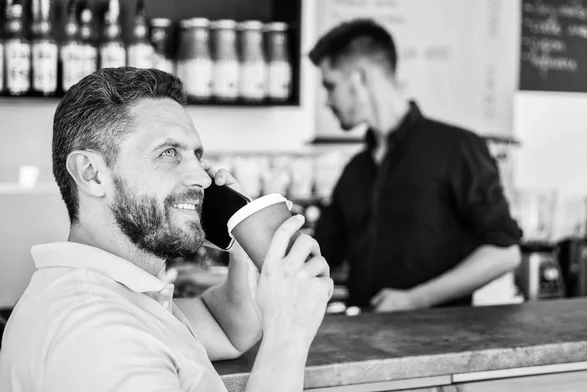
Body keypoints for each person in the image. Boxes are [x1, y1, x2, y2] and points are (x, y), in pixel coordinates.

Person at [0, 67, 333, 391]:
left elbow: (228, 330)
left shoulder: (119, 294)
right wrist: (288, 336)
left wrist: (242, 233)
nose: (202, 178)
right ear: (91, 173)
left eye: (196, 155)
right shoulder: (98, 333)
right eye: (169, 152)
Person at [309, 19, 522, 312]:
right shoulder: (354, 171)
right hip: (364, 343)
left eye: (330, 86)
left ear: (360, 79)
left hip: (441, 346)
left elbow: (505, 252)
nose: (327, 101)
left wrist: (415, 299)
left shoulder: (457, 148)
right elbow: (318, 255)